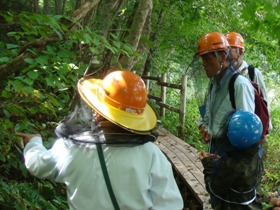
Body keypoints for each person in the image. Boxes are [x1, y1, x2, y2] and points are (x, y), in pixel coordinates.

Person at [16, 70, 184, 210]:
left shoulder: (70, 147)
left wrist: (33, 143)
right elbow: (171, 205)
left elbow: (37, 164)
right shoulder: (151, 154)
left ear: (98, 111)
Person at [196, 31, 255, 156]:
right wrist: (204, 127)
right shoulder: (213, 82)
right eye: (202, 59)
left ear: (222, 57)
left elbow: (246, 132)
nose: (203, 63)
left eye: (206, 58)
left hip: (232, 155)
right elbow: (208, 113)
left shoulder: (239, 85)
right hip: (215, 148)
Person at [199, 110, 264, 209]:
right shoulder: (255, 157)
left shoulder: (231, 165)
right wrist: (219, 161)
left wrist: (206, 163)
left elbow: (213, 188)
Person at [225, 32, 272, 132]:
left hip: (251, 131)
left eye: (230, 50)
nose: (226, 54)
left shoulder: (253, 73)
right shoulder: (224, 75)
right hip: (230, 131)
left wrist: (265, 130)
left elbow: (265, 103)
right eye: (225, 50)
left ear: (240, 52)